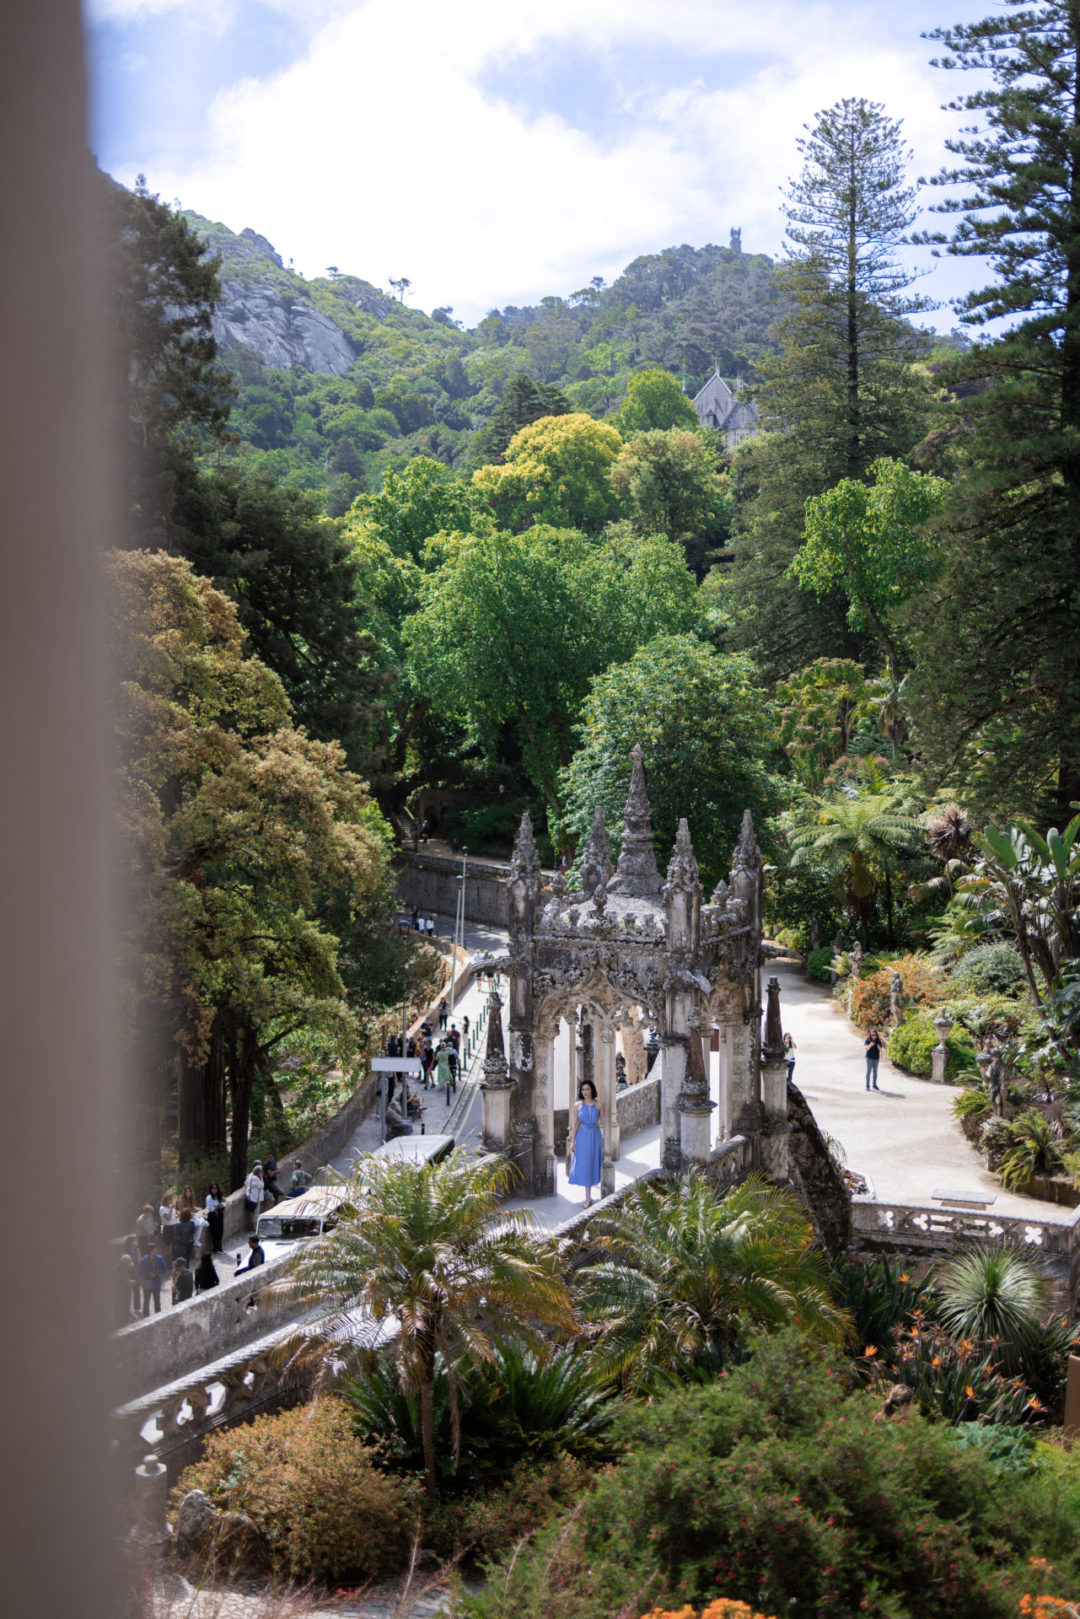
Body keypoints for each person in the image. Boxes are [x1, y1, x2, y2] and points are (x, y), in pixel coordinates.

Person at [568, 1079, 603, 1209]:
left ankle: (591, 1196)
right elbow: (575, 1124)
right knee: (584, 1165)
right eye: (583, 1089)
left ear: (592, 1090)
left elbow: (603, 1122)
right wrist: (573, 1142)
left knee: (593, 1164)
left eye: (587, 1089)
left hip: (595, 1136)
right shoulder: (577, 1105)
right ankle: (587, 1197)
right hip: (582, 1137)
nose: (585, 1092)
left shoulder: (599, 1104)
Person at [137, 1245, 167, 1316]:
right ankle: (146, 1316)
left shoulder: (159, 1258)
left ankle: (158, 1315)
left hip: (156, 1283)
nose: (156, 1251)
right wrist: (149, 1274)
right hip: (147, 1283)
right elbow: (140, 1271)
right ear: (150, 1250)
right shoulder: (143, 1260)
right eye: (154, 1249)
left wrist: (159, 1273)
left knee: (157, 1300)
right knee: (146, 1301)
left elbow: (164, 1268)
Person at [243, 1162, 265, 1231]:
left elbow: (245, 1183)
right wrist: (261, 1178)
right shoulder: (256, 1179)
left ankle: (250, 1226)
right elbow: (262, 1186)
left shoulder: (250, 1177)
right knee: (256, 1212)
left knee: (250, 1213)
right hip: (255, 1199)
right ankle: (254, 1227)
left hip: (249, 1197)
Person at [204, 1182, 225, 1253]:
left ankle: (219, 1247)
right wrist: (218, 1207)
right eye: (213, 1188)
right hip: (213, 1216)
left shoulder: (218, 1196)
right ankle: (217, 1248)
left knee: (220, 1231)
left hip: (219, 1215)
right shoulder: (209, 1197)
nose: (214, 1189)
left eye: (216, 1188)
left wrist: (222, 1200)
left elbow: (225, 1202)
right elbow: (210, 1208)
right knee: (215, 1232)